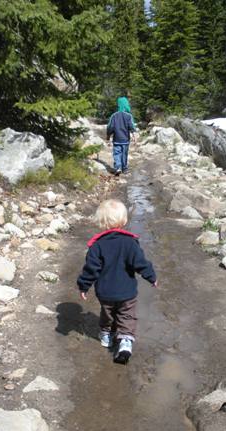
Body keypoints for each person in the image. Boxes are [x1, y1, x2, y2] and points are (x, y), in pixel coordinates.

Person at [77, 199, 157, 364]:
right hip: (127, 292)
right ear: (124, 220)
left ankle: (106, 335)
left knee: (108, 313)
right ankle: (125, 342)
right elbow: (140, 263)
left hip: (105, 292)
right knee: (126, 315)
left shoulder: (96, 246)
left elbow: (91, 269)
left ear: (100, 223)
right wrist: (151, 276)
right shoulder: (130, 243)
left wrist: (83, 286)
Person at [106, 96, 136, 176]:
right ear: (126, 105)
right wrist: (134, 136)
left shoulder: (114, 115)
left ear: (119, 105)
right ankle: (124, 169)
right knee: (124, 154)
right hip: (125, 140)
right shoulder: (129, 116)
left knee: (117, 154)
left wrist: (108, 137)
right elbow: (131, 127)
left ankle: (117, 167)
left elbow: (110, 127)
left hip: (116, 139)